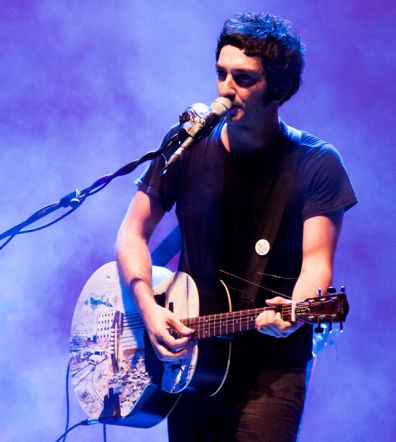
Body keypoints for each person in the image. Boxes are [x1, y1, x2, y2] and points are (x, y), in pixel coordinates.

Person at [115, 12, 357, 442]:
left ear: (278, 89)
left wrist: (296, 311)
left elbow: (317, 266)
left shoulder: (316, 163)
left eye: (243, 79)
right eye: (221, 74)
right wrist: (148, 308)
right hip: (191, 361)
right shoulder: (187, 144)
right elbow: (132, 233)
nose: (226, 89)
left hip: (269, 371)